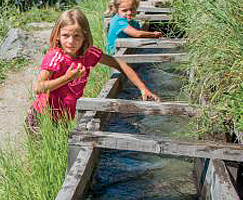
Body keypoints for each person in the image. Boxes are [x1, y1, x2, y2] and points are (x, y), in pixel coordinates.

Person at [28, 8, 159, 129]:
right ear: (57, 35)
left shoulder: (88, 53)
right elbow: (38, 88)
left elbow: (118, 64)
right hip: (42, 118)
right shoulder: (55, 57)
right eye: (65, 35)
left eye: (76, 36)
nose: (71, 41)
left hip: (64, 119)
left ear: (84, 36)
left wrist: (143, 88)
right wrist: (67, 78)